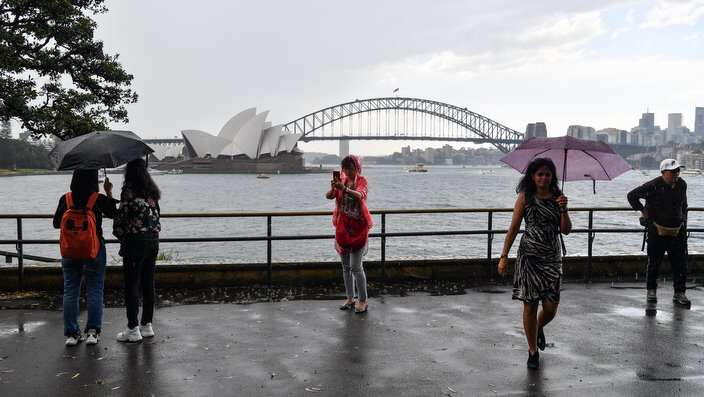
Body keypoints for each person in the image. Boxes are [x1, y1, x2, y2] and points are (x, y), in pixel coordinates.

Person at [497, 158, 572, 369]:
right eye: (539, 174)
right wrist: (504, 256)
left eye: (547, 174)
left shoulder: (559, 198)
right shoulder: (525, 197)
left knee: (550, 307)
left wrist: (564, 209)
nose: (544, 177)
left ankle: (538, 328)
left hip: (551, 257)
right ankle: (532, 351)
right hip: (529, 257)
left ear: (552, 176)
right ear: (532, 176)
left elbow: (566, 230)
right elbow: (513, 228)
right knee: (529, 305)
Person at [53, 169, 118, 346]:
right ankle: (92, 332)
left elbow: (56, 223)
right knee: (95, 289)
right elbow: (115, 214)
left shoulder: (66, 198)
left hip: (70, 250)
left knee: (70, 290)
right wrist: (109, 192)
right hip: (94, 249)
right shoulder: (97, 198)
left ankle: (72, 334)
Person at [627, 158, 689, 308]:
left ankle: (679, 293)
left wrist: (684, 222)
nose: (676, 174)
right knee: (654, 262)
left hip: (677, 230)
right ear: (663, 172)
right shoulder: (653, 185)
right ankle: (651, 291)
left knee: (680, 264)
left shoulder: (682, 184)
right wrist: (642, 211)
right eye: (673, 171)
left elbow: (684, 204)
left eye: (678, 171)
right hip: (656, 229)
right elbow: (631, 195)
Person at [113, 158, 161, 342]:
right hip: (153, 241)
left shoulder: (129, 191)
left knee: (132, 285)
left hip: (135, 242)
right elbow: (156, 216)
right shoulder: (152, 192)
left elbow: (121, 219)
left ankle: (132, 329)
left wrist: (121, 235)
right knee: (148, 283)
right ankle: (146, 324)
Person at [325, 155, 373, 314]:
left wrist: (344, 189)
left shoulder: (362, 181)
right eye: (345, 169)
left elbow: (360, 195)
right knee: (346, 267)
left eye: (351, 168)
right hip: (343, 229)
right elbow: (329, 196)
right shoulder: (342, 182)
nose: (348, 171)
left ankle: (363, 300)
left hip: (359, 229)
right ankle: (350, 298)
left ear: (357, 168)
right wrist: (334, 188)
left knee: (356, 267)